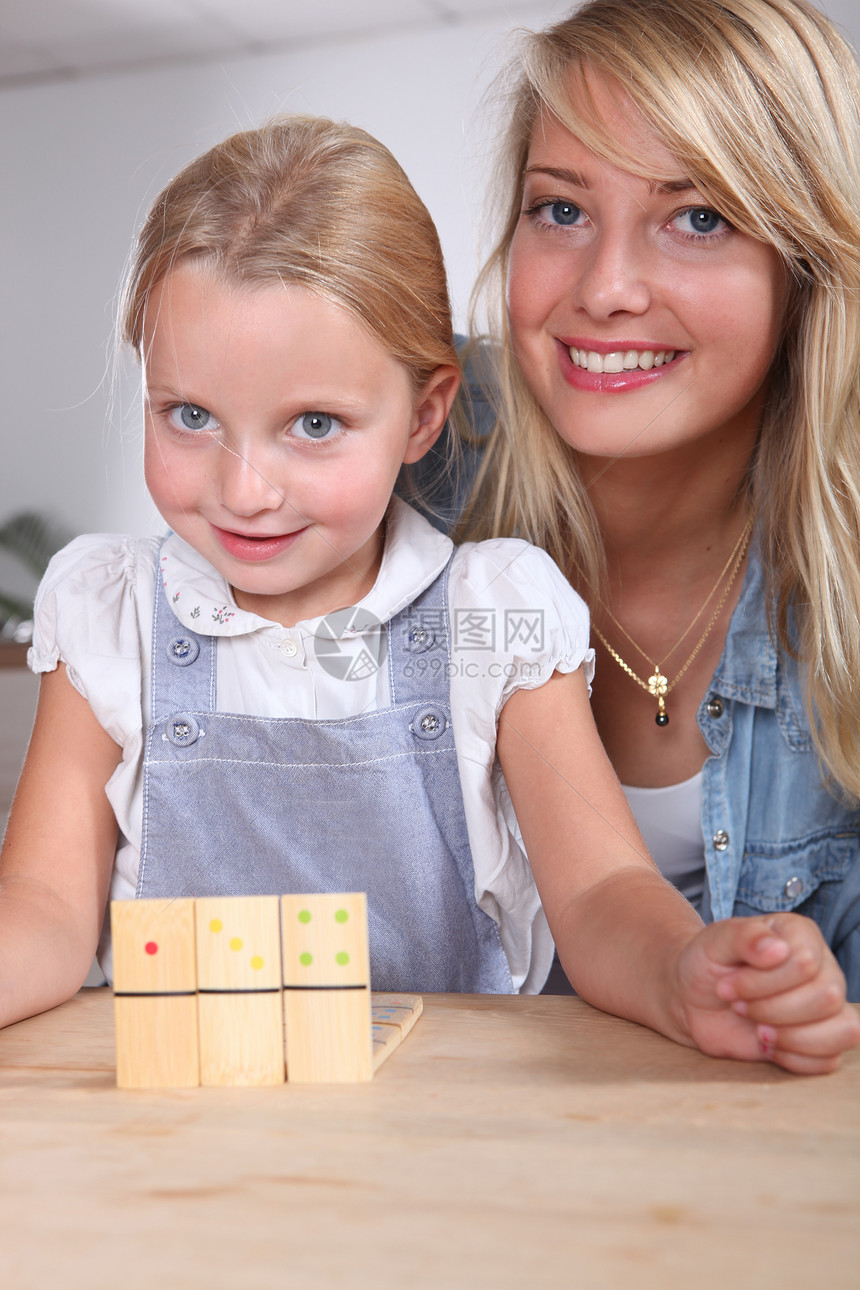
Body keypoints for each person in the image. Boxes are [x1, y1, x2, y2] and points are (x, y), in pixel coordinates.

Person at [1, 115, 856, 1074]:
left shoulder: (496, 619)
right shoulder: (109, 617)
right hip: (183, 1140)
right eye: (190, 416)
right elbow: (42, 905)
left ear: (425, 415)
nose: (244, 489)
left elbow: (602, 891)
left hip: (446, 1141)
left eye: (314, 424)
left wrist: (682, 969)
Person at [455, 0, 860, 1001]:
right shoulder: (403, 477)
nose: (606, 288)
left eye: (698, 218)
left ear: (802, 268)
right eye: (561, 209)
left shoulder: (840, 564)